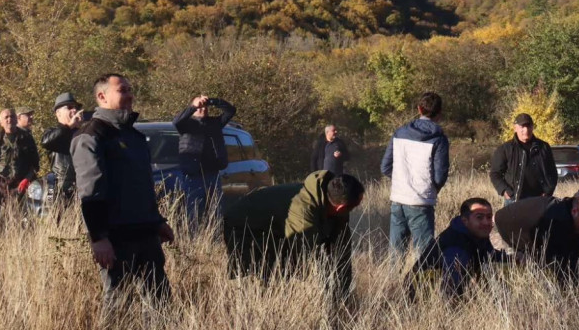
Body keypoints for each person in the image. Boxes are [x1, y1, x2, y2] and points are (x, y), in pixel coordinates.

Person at [71, 74, 174, 307]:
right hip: (116, 239)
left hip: (146, 234)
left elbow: (141, 185)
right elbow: (90, 191)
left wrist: (157, 221)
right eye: (122, 90)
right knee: (119, 306)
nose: (129, 95)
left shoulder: (133, 135)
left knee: (161, 306)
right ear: (102, 96)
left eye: (129, 89)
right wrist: (99, 238)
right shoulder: (92, 134)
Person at [223, 171, 365, 302]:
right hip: (244, 226)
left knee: (281, 269)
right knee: (267, 270)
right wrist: (322, 296)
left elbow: (341, 251)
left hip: (274, 228)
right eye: (354, 206)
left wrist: (343, 296)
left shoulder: (337, 207)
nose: (354, 209)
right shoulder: (303, 210)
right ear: (340, 208)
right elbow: (307, 258)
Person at [382, 92, 449, 258]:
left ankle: (392, 284)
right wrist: (430, 187)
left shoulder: (399, 133)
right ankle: (422, 284)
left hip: (398, 198)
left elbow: (385, 167)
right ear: (440, 113)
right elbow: (440, 175)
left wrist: (401, 180)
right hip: (421, 199)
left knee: (396, 253)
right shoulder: (439, 139)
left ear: (419, 109)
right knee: (425, 255)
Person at [408, 197, 505, 300]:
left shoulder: (476, 234)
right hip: (421, 297)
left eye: (489, 217)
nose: (486, 222)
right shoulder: (457, 247)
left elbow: (489, 255)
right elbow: (450, 290)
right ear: (465, 221)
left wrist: (512, 258)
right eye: (479, 217)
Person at [495, 195, 579, 287]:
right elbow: (555, 262)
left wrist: (575, 284)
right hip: (508, 227)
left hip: (532, 229)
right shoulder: (557, 222)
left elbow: (575, 253)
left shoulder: (571, 216)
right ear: (575, 212)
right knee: (526, 272)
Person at [172, 94, 237, 224]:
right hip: (193, 175)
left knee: (215, 211)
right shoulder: (186, 124)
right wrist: (193, 106)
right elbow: (176, 121)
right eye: (200, 107)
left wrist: (215, 101)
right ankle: (194, 240)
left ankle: (215, 239)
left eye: (206, 107)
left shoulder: (215, 123)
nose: (203, 109)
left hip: (212, 174)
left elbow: (231, 111)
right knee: (193, 212)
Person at [489, 113, 556, 206]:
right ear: (515, 128)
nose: (526, 130)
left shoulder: (543, 147)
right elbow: (495, 173)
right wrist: (505, 191)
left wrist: (548, 191)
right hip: (514, 200)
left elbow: (552, 172)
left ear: (532, 127)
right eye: (522, 126)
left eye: (529, 126)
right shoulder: (505, 149)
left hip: (540, 199)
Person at [0, 108, 40, 215]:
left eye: (12, 116)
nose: (9, 119)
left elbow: (35, 164)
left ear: (16, 119)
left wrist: (26, 180)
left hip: (17, 184)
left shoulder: (26, 138)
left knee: (16, 217)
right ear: (1, 122)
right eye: (6, 117)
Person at [40, 92, 84, 214]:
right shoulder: (54, 132)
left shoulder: (83, 133)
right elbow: (46, 142)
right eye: (69, 107)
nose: (74, 110)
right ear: (58, 113)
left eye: (76, 107)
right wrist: (68, 126)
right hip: (61, 187)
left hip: (83, 186)